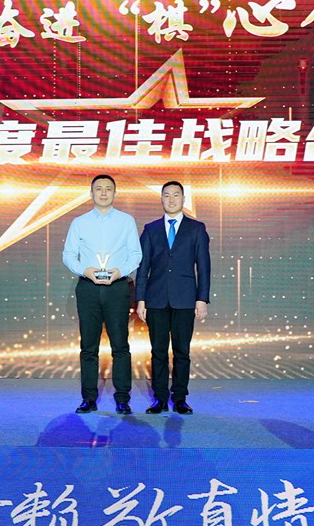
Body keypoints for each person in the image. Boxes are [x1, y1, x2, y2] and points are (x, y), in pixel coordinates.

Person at [62, 174, 142, 415]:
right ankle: (88, 398)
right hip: (88, 288)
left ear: (115, 193)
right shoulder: (79, 222)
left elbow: (135, 255)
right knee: (89, 347)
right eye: (99, 189)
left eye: (108, 189)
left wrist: (121, 272)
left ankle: (122, 398)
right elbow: (68, 255)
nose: (104, 193)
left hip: (118, 288)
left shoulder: (126, 221)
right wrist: (84, 270)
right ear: (91, 193)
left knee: (120, 345)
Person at [135, 181, 210, 414]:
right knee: (158, 351)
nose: (171, 199)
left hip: (185, 299)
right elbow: (143, 267)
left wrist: (202, 298)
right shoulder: (151, 229)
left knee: (181, 351)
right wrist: (141, 299)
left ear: (183, 199)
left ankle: (179, 399)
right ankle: (159, 398)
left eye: (176, 195)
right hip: (155, 299)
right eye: (166, 195)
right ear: (161, 199)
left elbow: (204, 266)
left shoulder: (196, 228)